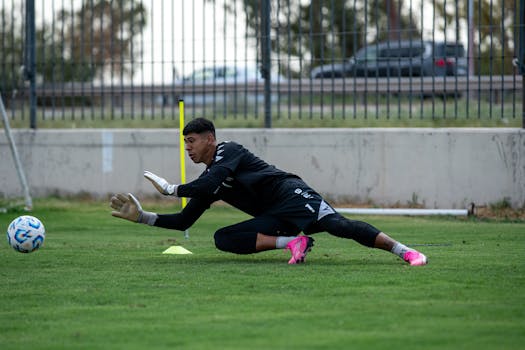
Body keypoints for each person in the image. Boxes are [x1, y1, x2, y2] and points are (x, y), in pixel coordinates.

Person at [110, 117, 427, 266]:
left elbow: (207, 183)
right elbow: (184, 221)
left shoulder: (228, 151)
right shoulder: (211, 178)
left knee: (339, 226)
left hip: (292, 194)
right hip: (274, 217)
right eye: (185, 143)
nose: (188, 149)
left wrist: (170, 188)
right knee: (223, 238)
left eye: (191, 141)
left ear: (209, 139)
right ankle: (294, 242)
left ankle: (405, 252)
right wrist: (143, 218)